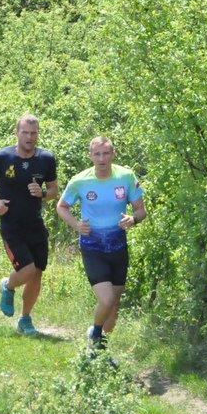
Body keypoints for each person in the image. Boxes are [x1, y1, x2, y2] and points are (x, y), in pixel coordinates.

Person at [56, 136, 146, 350]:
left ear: (113, 154)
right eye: (97, 154)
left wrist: (132, 219)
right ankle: (95, 334)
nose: (102, 158)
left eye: (106, 153)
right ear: (90, 156)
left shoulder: (126, 176)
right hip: (92, 248)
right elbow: (61, 207)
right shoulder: (80, 181)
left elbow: (141, 210)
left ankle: (99, 352)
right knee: (106, 300)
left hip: (118, 248)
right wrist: (77, 225)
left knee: (113, 307)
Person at [0, 114, 59, 335]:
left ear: (37, 134)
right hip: (11, 226)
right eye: (25, 132)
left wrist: (43, 193)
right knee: (27, 271)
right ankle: (8, 285)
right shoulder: (2, 157)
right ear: (17, 132)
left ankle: (25, 319)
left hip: (36, 225)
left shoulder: (46, 158)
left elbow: (54, 190)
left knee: (37, 273)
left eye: (33, 133)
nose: (29, 137)